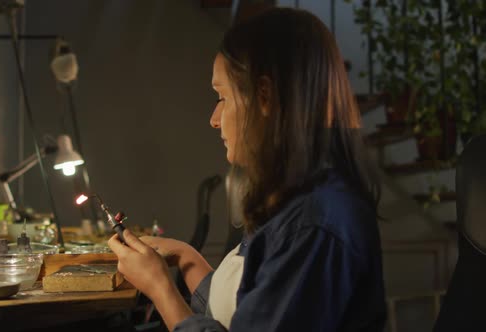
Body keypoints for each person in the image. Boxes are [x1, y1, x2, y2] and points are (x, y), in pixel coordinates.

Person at [108, 7, 386, 331]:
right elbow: (245, 306)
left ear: (265, 97)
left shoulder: (312, 224)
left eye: (222, 97)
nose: (213, 118)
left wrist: (159, 287)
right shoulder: (292, 197)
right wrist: (186, 258)